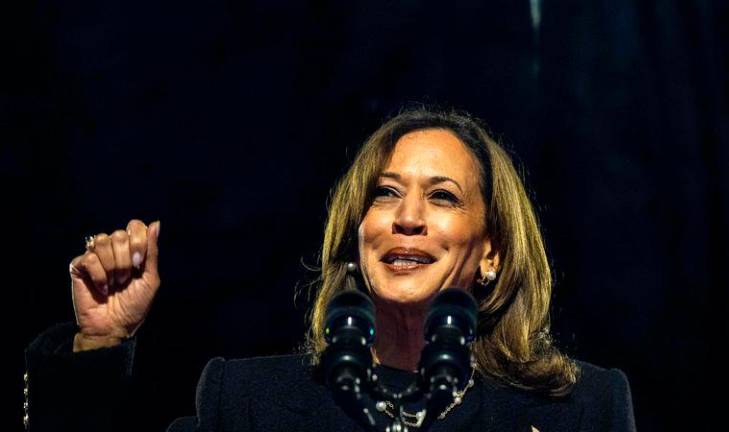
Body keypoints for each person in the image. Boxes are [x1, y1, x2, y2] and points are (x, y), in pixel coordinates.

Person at [24, 107, 636, 431]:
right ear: (356, 234)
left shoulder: (582, 411)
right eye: (386, 193)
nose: (408, 218)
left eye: (443, 197)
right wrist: (100, 341)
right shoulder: (248, 405)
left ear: (492, 252)